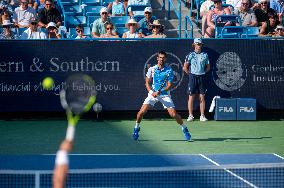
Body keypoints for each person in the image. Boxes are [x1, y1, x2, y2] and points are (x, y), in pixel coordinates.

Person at [132, 51, 191, 141]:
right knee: (141, 113)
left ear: (165, 59)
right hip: (152, 94)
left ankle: (184, 128)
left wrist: (161, 91)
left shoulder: (169, 70)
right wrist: (152, 92)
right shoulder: (152, 69)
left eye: (163, 58)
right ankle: (136, 128)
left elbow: (169, 85)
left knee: (173, 114)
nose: (161, 59)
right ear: (157, 58)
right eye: (160, 57)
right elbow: (147, 83)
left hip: (164, 95)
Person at [183, 38, 210, 122]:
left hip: (201, 77)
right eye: (197, 44)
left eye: (200, 44)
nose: (199, 46)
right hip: (193, 77)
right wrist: (191, 75)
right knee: (191, 97)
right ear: (194, 45)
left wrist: (202, 72)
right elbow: (185, 67)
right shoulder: (190, 55)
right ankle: (190, 115)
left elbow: (208, 67)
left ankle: (202, 116)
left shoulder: (205, 55)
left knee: (202, 97)